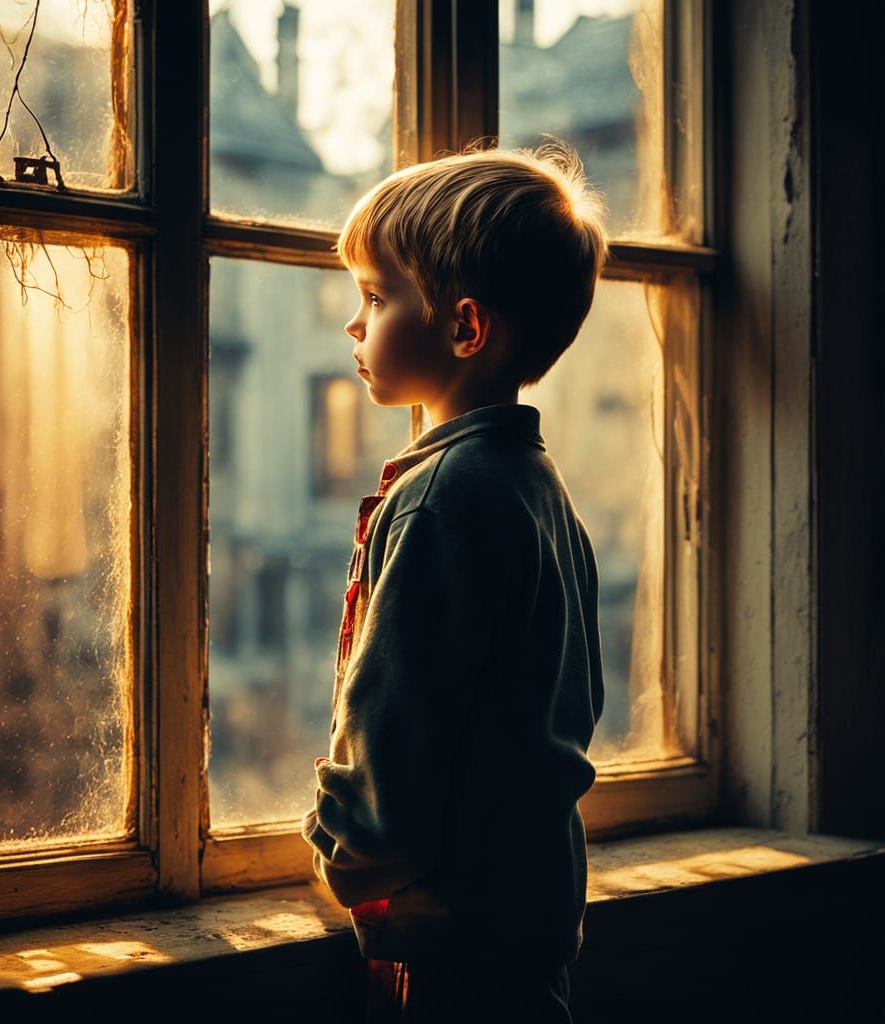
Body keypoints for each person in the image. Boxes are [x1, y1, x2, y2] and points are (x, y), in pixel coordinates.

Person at [300, 142, 608, 1023]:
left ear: (466, 328)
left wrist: (343, 852)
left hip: (447, 948)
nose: (354, 325)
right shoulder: (536, 487)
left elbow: (394, 729)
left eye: (375, 297)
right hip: (527, 925)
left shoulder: (441, 499)